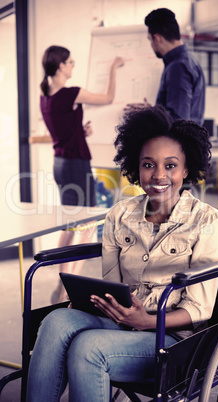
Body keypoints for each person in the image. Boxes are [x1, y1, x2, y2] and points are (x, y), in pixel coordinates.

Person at [26, 105, 218, 402]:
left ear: (186, 169)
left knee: (87, 347)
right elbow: (112, 286)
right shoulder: (120, 214)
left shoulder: (207, 221)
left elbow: (199, 309)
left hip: (170, 340)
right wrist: (89, 303)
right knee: (55, 320)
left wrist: (147, 321)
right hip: (120, 321)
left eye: (170, 166)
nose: (159, 175)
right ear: (137, 166)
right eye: (148, 164)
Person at [40, 45, 124, 303]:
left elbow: (63, 129)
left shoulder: (46, 96)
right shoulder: (70, 94)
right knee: (86, 224)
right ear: (60, 66)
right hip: (76, 164)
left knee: (70, 222)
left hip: (60, 164)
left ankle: (61, 278)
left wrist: (80, 131)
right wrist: (113, 68)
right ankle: (67, 285)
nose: (73, 66)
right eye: (70, 62)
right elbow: (108, 97)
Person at [125, 8, 205, 125]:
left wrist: (149, 113)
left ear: (157, 38)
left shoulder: (178, 66)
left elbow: (178, 119)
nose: (151, 45)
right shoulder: (189, 60)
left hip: (178, 142)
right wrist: (150, 110)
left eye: (149, 40)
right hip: (186, 140)